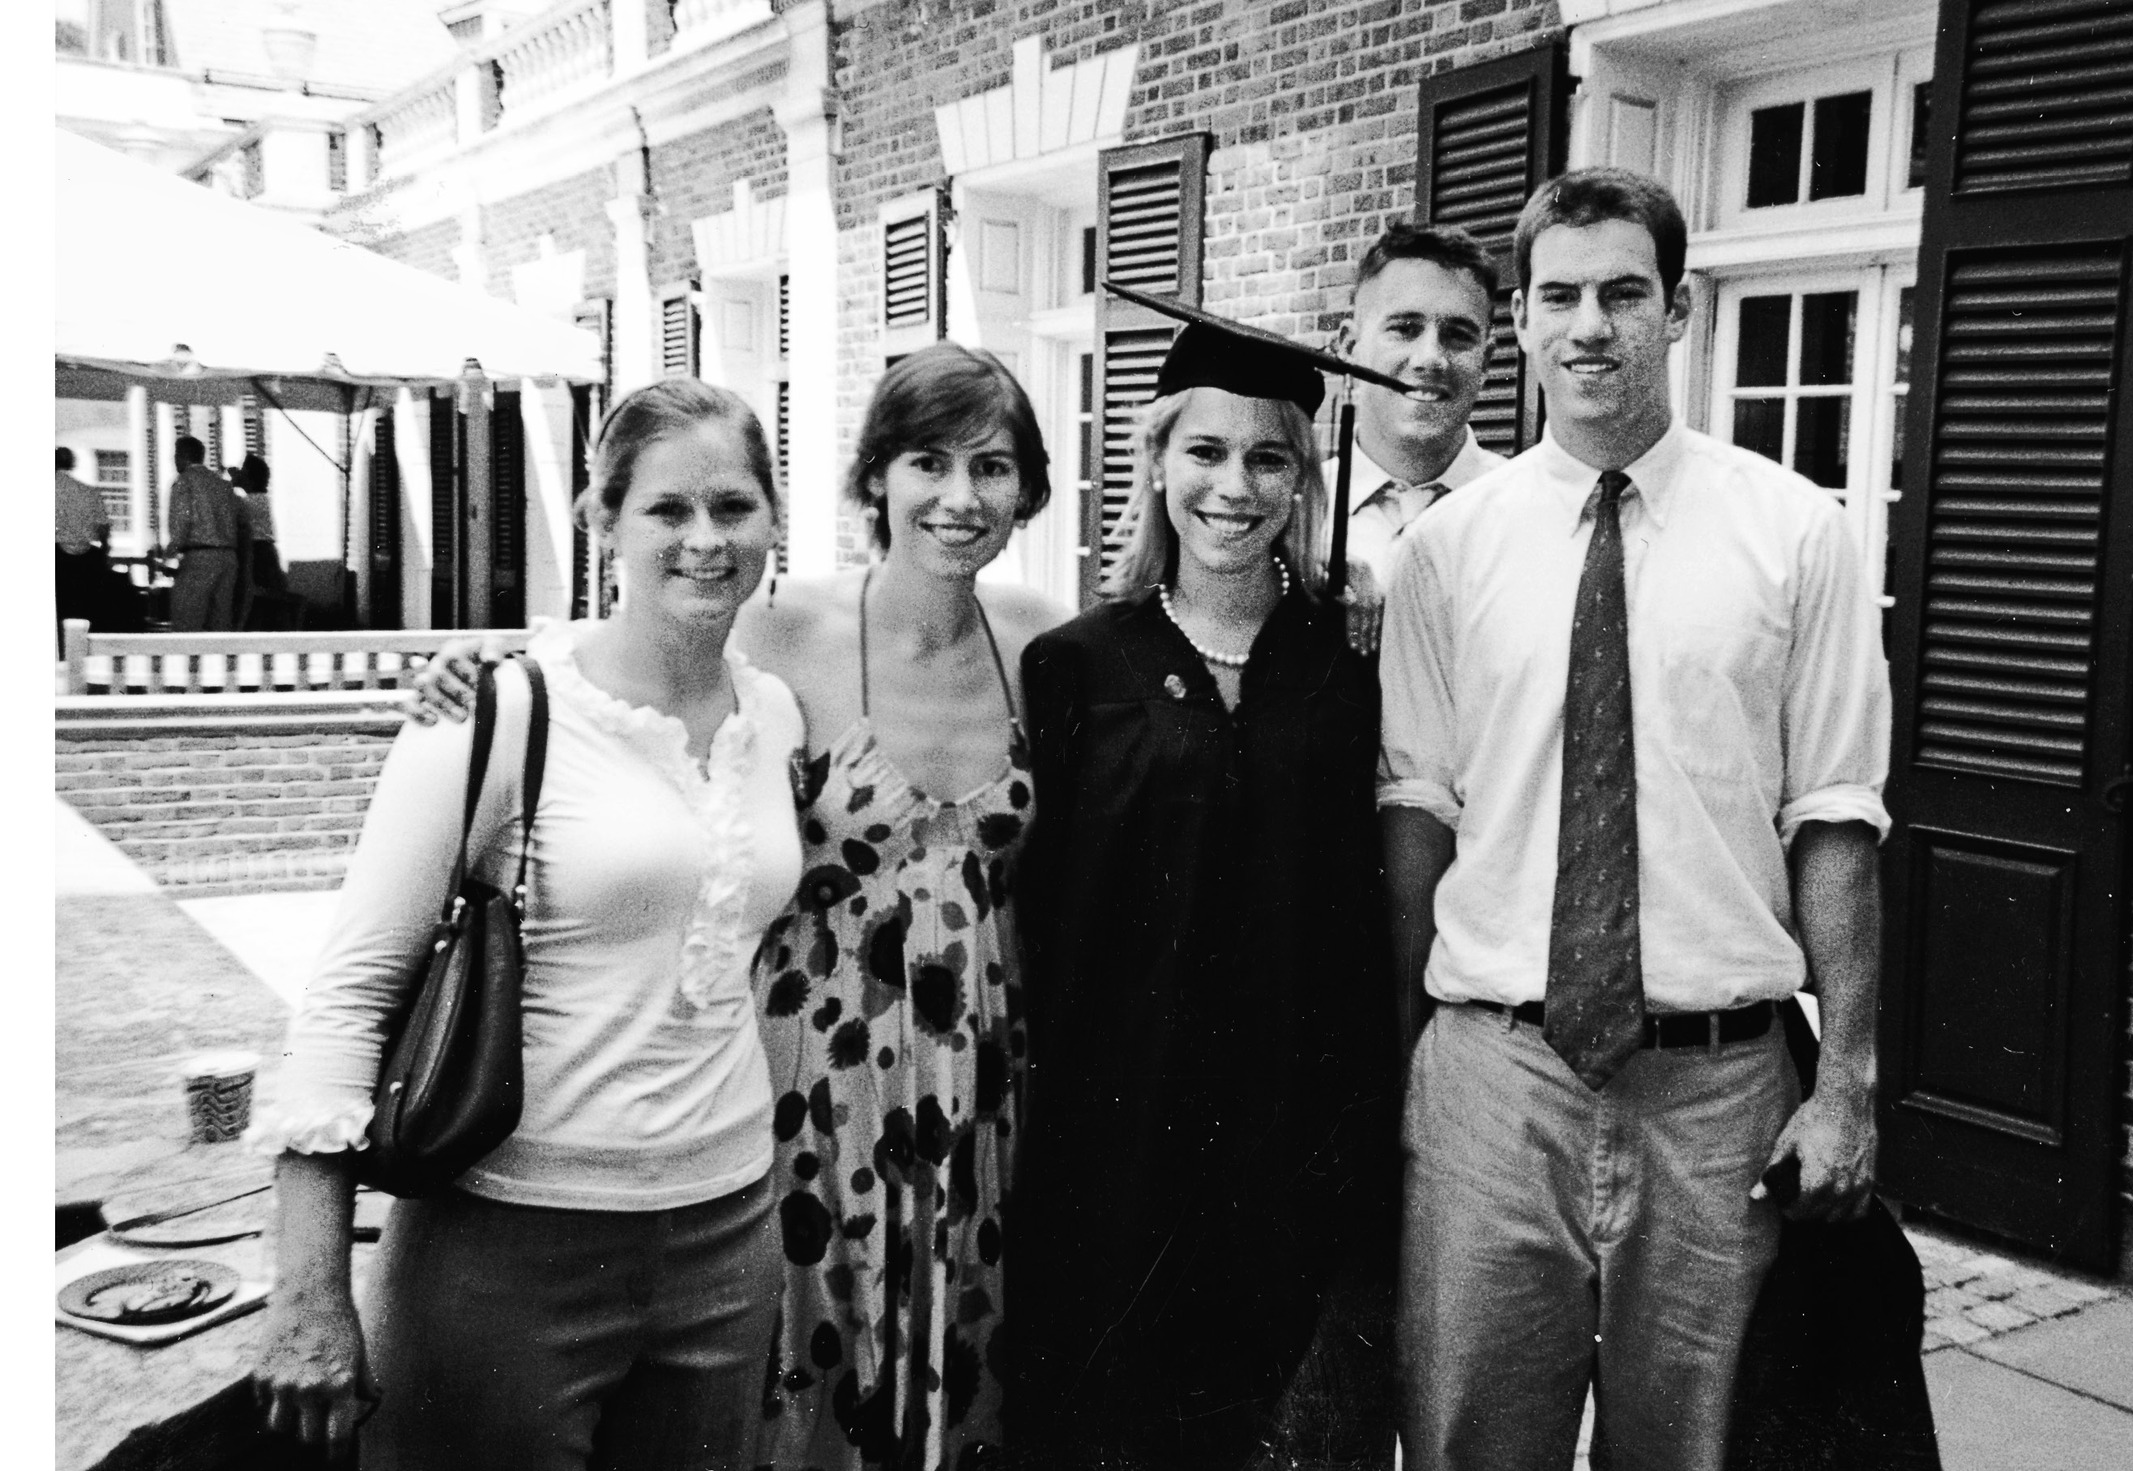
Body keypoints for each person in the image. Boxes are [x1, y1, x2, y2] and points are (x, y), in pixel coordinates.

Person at [414, 344, 1070, 1470]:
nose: (961, 499)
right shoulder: (783, 630)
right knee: (803, 1373)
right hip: (808, 1083)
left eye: (994, 467)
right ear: (877, 479)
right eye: (928, 462)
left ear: (1028, 488)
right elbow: (625, 673)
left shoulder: (1044, 638)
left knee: (963, 1360)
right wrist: (480, 675)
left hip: (983, 1088)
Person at [1379, 167, 1889, 1471]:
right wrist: (1406, 1070)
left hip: (1716, 1092)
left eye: (1620, 292)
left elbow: (1832, 816)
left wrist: (1844, 1078)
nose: (1588, 324)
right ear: (1526, 321)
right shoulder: (1448, 551)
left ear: (1675, 308)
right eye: (1558, 295)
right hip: (1496, 1081)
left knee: (1699, 1448)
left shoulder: (1793, 533)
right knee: (1467, 1439)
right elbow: (1415, 822)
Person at [248, 379, 805, 1470]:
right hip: (507, 1238)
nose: (705, 539)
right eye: (667, 510)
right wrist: (308, 1291)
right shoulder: (495, 713)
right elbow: (350, 998)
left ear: (773, 519)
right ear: (603, 522)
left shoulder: (775, 711)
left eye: (735, 507)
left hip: (730, 1230)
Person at [1009, 314, 1399, 1468]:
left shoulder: (1350, 661)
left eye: (1268, 458)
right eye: (1206, 453)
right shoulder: (1075, 662)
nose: (1233, 486)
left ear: (1303, 482)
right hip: (1113, 1127)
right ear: (1159, 462)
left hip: (1297, 1126)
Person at [1328, 221, 1506, 647]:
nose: (1430, 358)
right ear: (1349, 347)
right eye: (1405, 328)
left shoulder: (1528, 511)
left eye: (1458, 335)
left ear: (1487, 361)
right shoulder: (1295, 513)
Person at [162, 435, 247, 631]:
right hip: (228, 558)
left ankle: (188, 662)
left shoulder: (184, 482)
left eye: (175, 455)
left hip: (200, 557)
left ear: (182, 455)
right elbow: (239, 519)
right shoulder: (223, 485)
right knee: (219, 622)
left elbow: (182, 522)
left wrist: (170, 556)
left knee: (187, 621)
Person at [55, 447, 111, 645]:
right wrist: (105, 552)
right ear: (72, 463)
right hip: (86, 560)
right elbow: (103, 528)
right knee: (84, 610)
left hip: (57, 558)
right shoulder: (88, 491)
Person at [235, 452, 285, 628]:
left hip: (257, 554)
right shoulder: (262, 499)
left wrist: (231, 483)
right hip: (265, 552)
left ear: (250, 477)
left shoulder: (248, 502)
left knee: (255, 605)